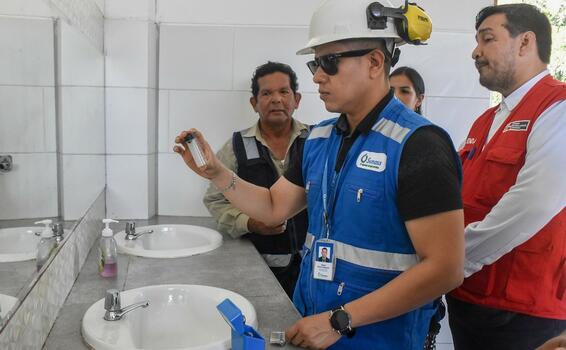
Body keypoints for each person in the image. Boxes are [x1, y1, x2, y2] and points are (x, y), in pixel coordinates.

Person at [174, 0, 464, 348]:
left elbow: (445, 269)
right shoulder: (320, 139)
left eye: (329, 62)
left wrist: (340, 320)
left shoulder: (419, 145)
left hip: (377, 338)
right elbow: (272, 206)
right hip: (313, 327)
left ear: (374, 62)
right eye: (315, 62)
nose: (316, 76)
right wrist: (216, 172)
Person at [446, 4, 566, 350]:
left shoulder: (557, 107)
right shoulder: (485, 121)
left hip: (525, 312)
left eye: (487, 39)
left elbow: (532, 203)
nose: (475, 52)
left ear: (525, 43)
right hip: (471, 298)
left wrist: (451, 261)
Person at [202, 61, 310, 298]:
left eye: (284, 91)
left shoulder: (317, 142)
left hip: (314, 269)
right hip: (258, 268)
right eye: (266, 93)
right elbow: (215, 201)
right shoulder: (236, 146)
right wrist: (249, 223)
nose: (276, 99)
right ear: (254, 103)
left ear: (297, 99)